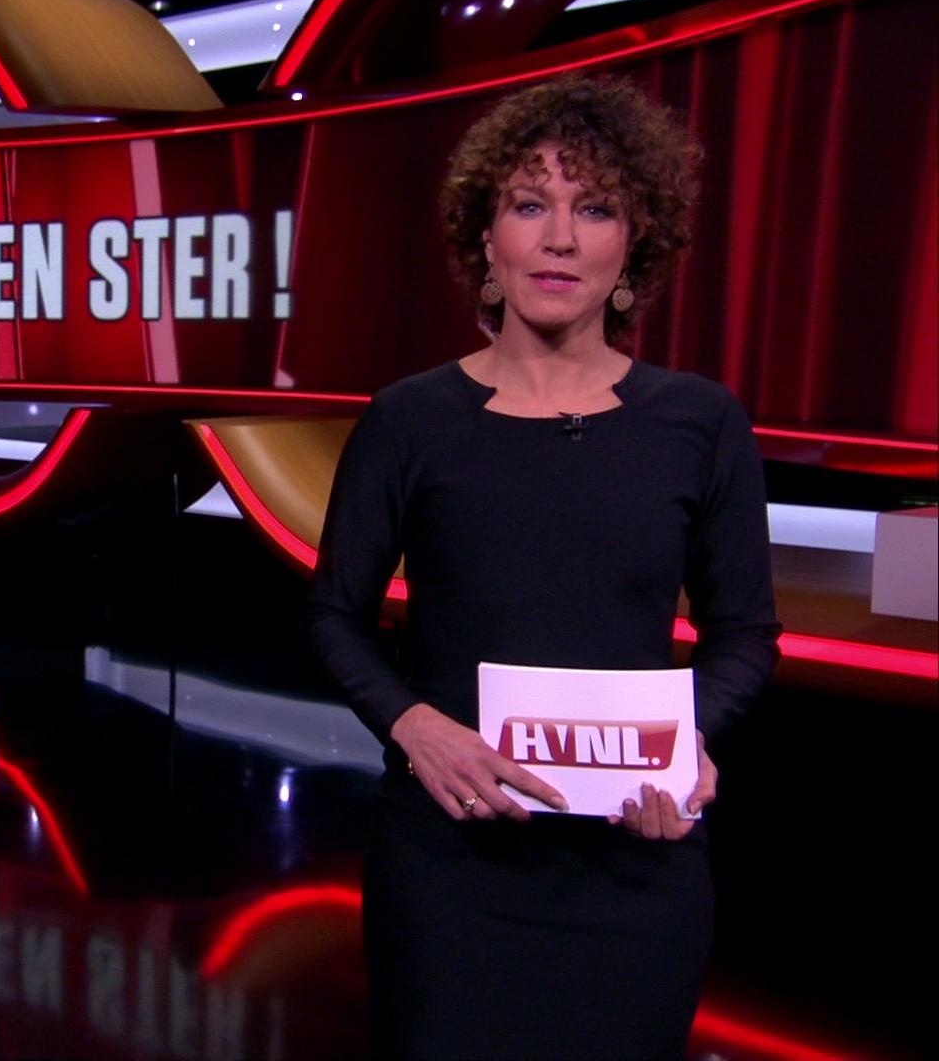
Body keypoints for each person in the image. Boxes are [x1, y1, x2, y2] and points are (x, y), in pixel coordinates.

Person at [303, 75, 782, 1058]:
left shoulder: (701, 423)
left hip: (638, 871)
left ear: (633, 245)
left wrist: (688, 740)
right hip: (448, 874)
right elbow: (333, 617)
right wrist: (414, 727)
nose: (560, 238)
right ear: (486, 239)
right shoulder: (409, 420)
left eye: (594, 209)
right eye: (530, 205)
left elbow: (745, 633)